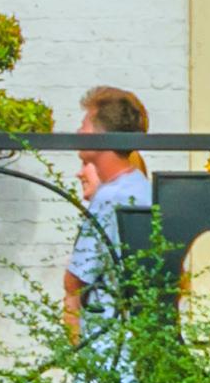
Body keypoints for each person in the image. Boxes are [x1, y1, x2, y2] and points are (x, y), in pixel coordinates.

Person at [65, 83, 158, 332]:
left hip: (108, 338)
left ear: (101, 135)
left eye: (84, 125)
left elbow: (76, 278)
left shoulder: (109, 197)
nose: (78, 132)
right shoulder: (142, 187)